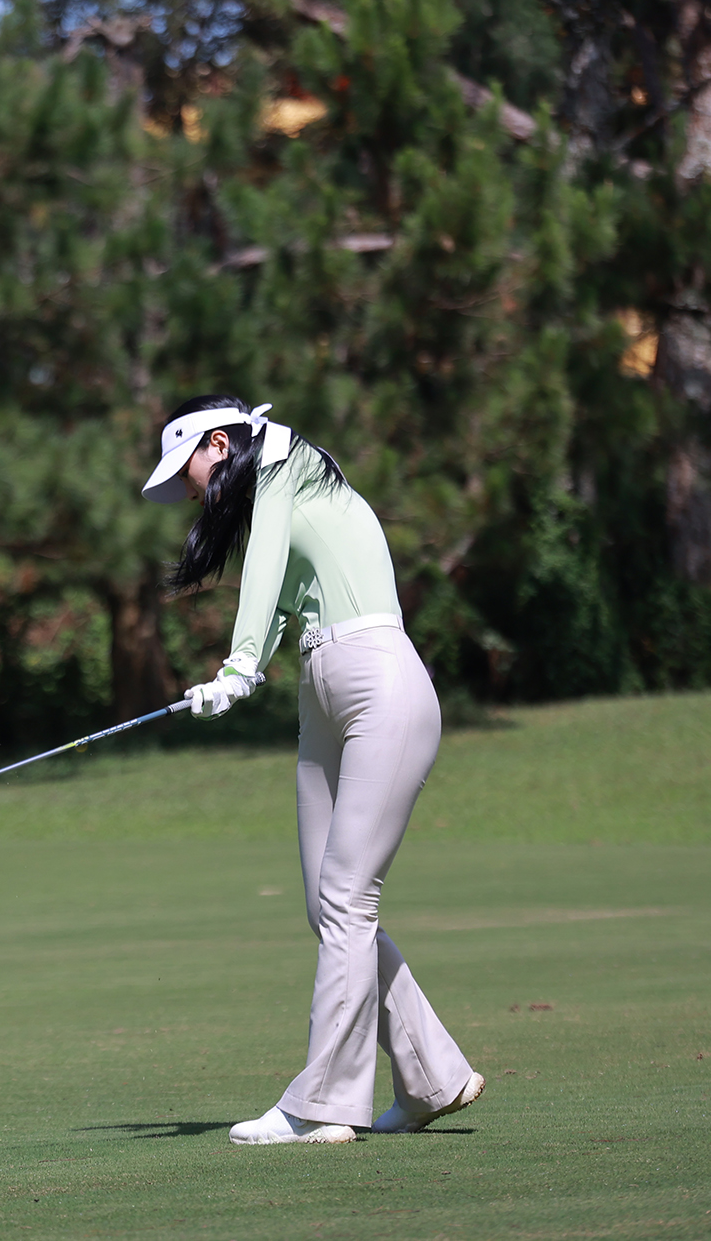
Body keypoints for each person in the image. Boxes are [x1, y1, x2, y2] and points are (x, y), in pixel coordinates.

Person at [142, 394, 485, 1146]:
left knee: (345, 899)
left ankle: (324, 1104)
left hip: (378, 683)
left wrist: (238, 666)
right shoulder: (268, 482)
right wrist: (243, 667)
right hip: (321, 689)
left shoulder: (285, 461)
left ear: (221, 441)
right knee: (329, 906)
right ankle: (433, 1076)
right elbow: (266, 578)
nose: (191, 491)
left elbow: (262, 562)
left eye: (191, 471)